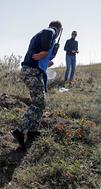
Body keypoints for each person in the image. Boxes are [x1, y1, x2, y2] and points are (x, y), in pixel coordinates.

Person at [12, 21, 62, 149]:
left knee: (40, 103)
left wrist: (48, 58)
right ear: (58, 29)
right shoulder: (49, 31)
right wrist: (45, 52)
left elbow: (44, 57)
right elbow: (48, 34)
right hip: (31, 72)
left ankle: (33, 131)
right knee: (38, 103)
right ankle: (19, 130)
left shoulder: (44, 36)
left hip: (34, 72)